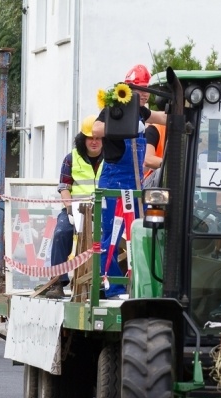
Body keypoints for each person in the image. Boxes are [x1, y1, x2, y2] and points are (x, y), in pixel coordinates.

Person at [93, 64, 166, 298]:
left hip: (136, 182)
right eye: (140, 89)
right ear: (128, 88)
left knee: (145, 230)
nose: (145, 94)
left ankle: (143, 285)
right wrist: (120, 126)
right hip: (114, 181)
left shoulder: (142, 112)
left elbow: (163, 117)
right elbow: (96, 129)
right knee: (111, 236)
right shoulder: (115, 108)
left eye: (147, 89)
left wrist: (187, 113)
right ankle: (111, 287)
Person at [45, 115, 104, 298]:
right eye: (90, 138)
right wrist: (70, 210)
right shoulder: (71, 158)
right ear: (82, 139)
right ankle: (58, 282)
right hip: (75, 209)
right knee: (61, 232)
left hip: (104, 210)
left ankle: (104, 282)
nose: (94, 142)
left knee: (113, 237)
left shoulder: (111, 158)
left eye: (98, 138)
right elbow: (64, 188)